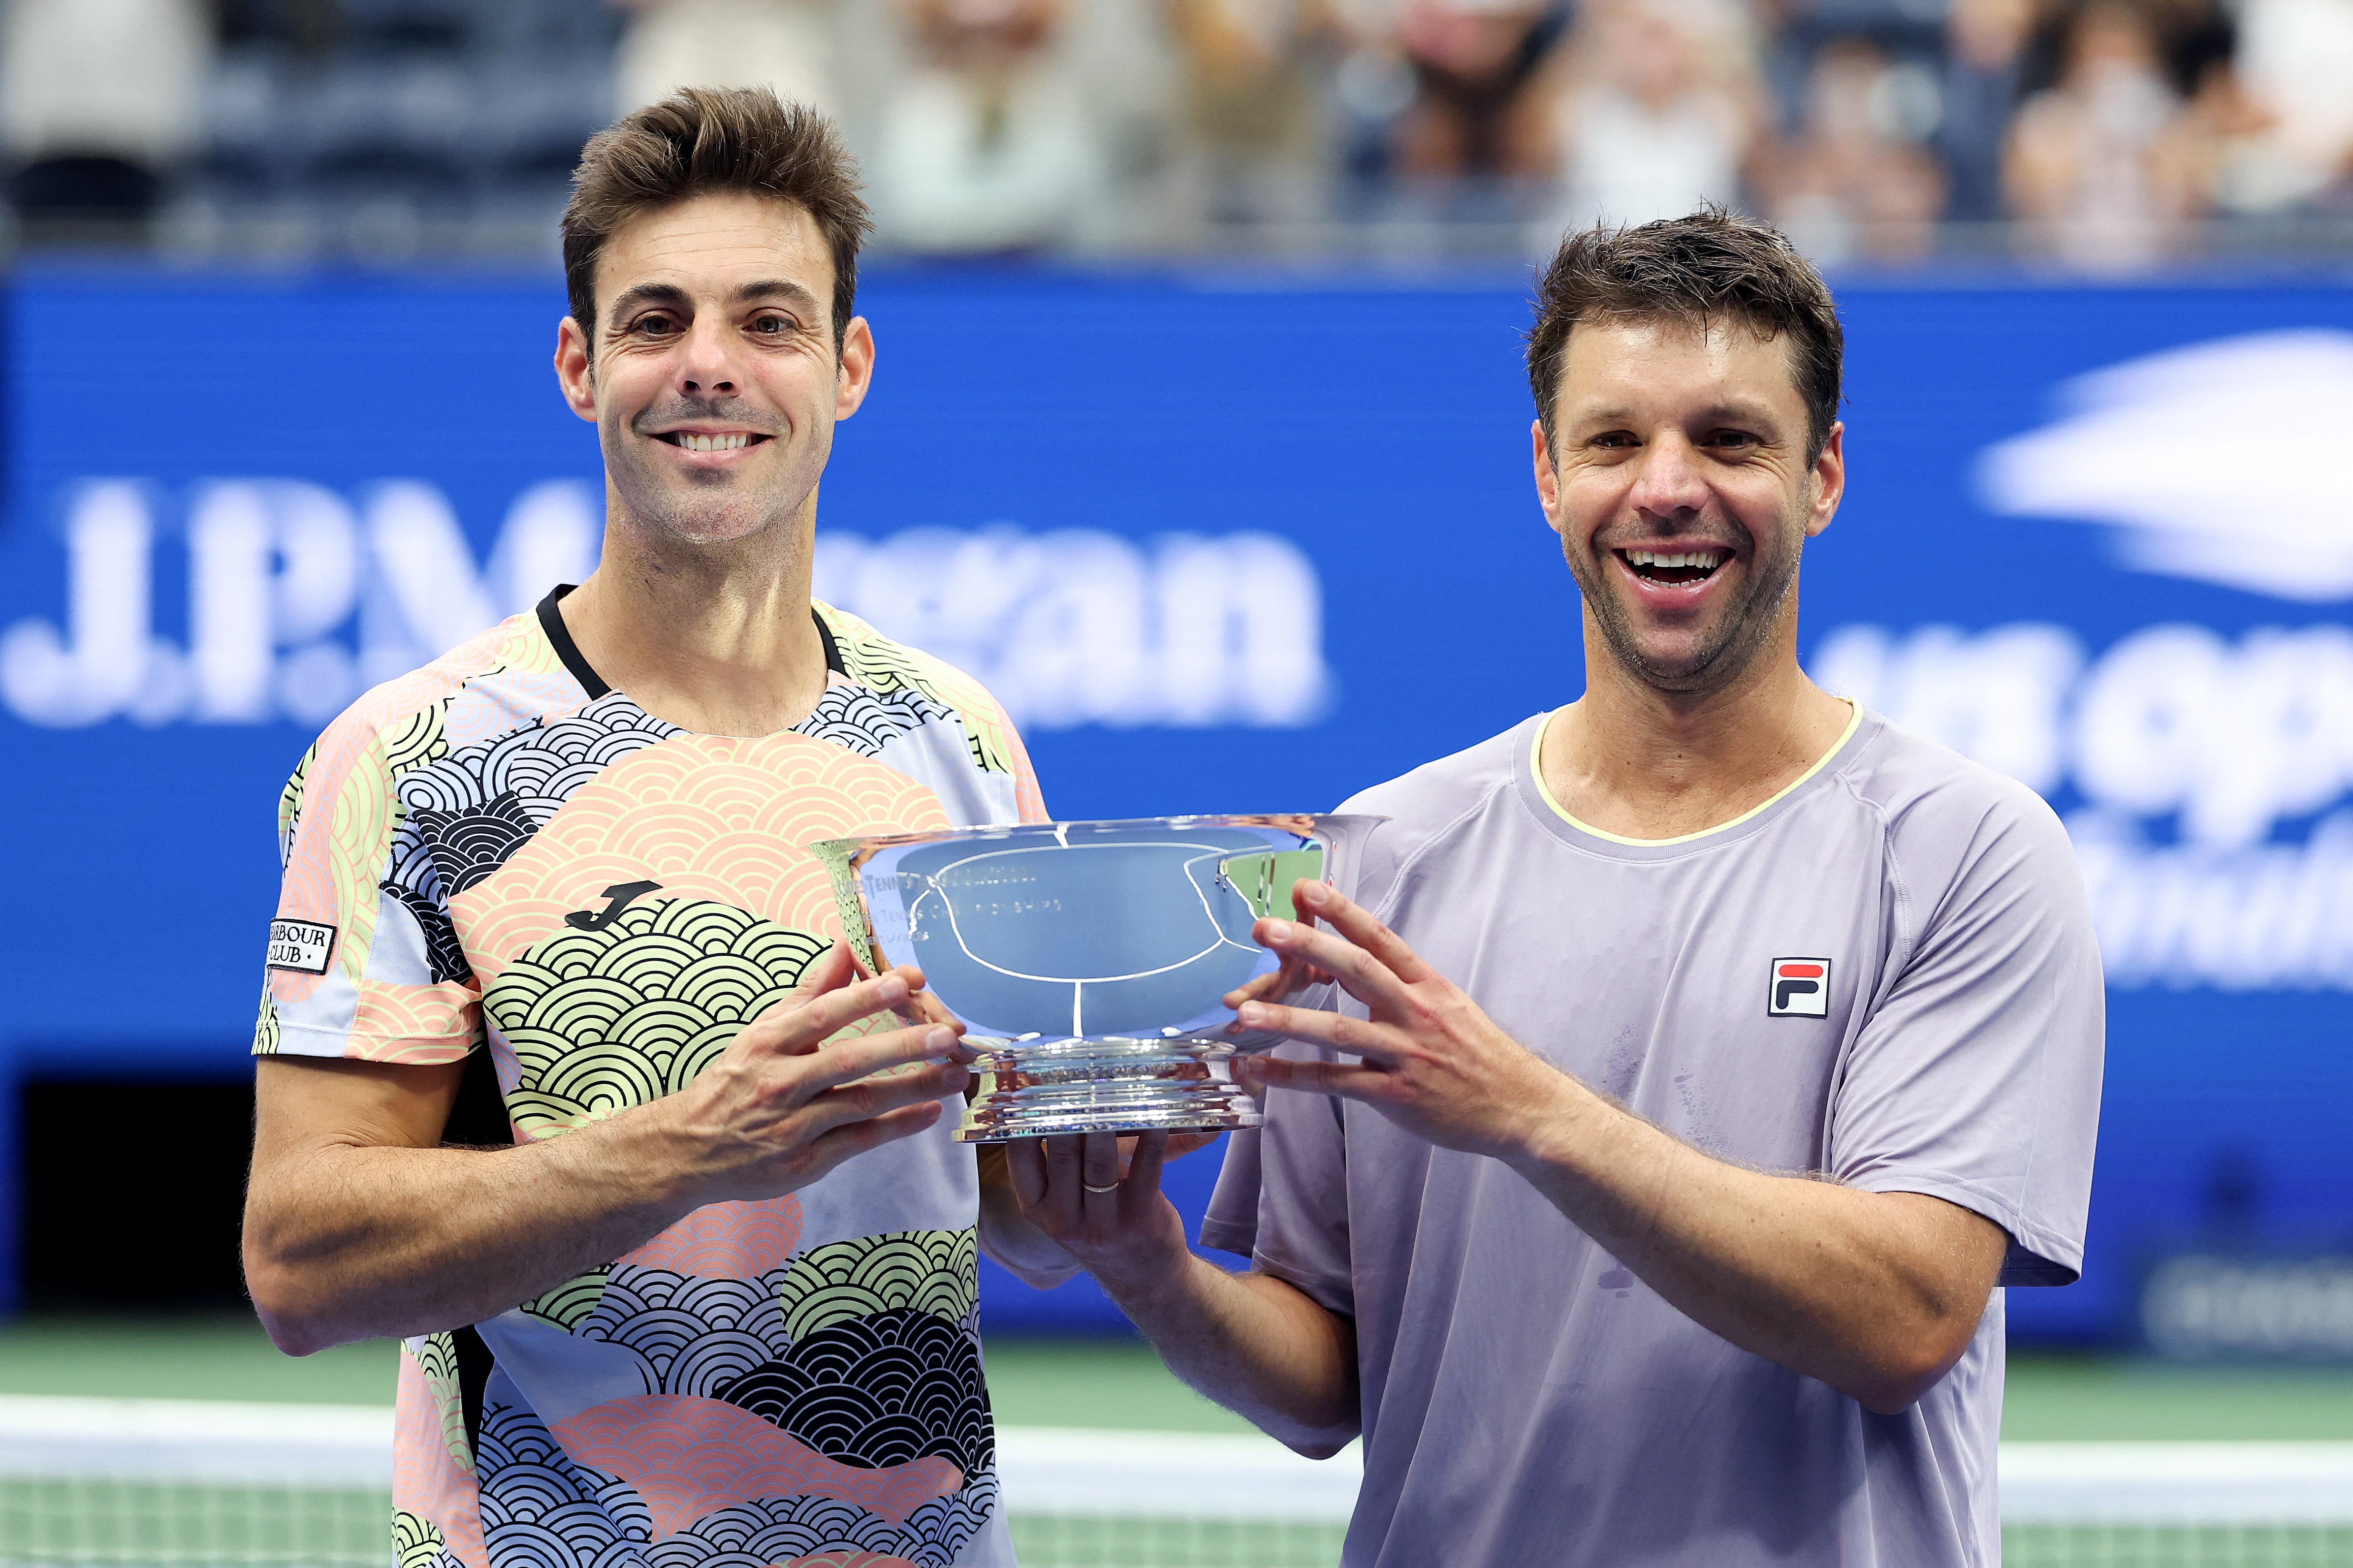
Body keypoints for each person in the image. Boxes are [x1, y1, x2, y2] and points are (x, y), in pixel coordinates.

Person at [1007, 209, 2105, 1566]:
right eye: (1612, 439)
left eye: (1727, 438)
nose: (1666, 486)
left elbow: (1903, 1319)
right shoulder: (1382, 854)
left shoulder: (1964, 848)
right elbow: (1324, 1379)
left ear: (1822, 475)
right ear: (1544, 471)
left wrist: (1523, 1108)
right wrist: (1148, 1268)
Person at [241, 86, 1079, 1568]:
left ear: (848, 365)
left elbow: (1023, 1214)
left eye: (766, 320)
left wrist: (1138, 1106)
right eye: (654, 322)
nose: (708, 366)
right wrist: (696, 1144)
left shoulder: (961, 738)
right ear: (579, 364)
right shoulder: (407, 759)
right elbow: (300, 1258)